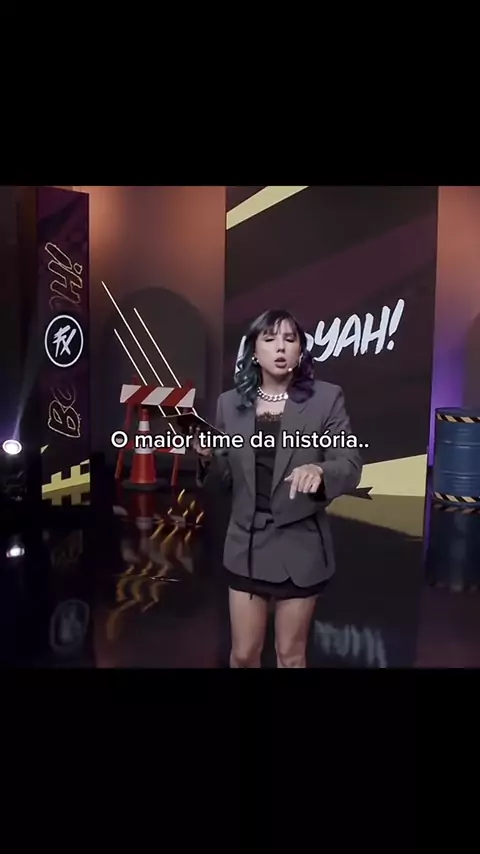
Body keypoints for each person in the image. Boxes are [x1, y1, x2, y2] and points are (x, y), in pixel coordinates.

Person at [194, 309, 362, 668]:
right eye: (270, 339)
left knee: (290, 656)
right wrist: (208, 458)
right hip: (246, 544)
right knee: (243, 655)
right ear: (254, 351)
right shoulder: (229, 405)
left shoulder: (326, 399)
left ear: (300, 350)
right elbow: (226, 479)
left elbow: (350, 464)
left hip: (299, 546)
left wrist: (320, 469)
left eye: (290, 339)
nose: (281, 347)